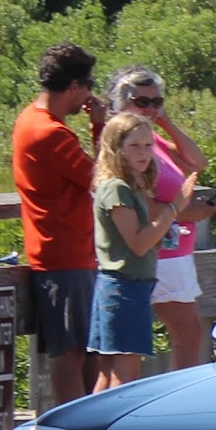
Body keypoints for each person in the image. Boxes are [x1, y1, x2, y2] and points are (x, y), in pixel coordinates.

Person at [11, 41, 106, 407]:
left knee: (85, 351)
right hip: (64, 256)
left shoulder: (30, 120)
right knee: (72, 354)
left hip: (62, 253)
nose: (89, 93)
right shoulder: (49, 132)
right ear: (74, 87)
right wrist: (99, 129)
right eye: (88, 85)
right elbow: (100, 179)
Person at [106, 66, 215, 371]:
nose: (150, 109)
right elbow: (136, 202)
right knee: (182, 336)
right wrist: (190, 211)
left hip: (173, 250)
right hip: (156, 252)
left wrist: (164, 121)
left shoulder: (149, 139)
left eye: (157, 102)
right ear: (122, 102)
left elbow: (196, 162)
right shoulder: (124, 147)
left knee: (185, 336)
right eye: (142, 102)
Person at [88, 112, 196, 391]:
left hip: (122, 288)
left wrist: (163, 230)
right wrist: (175, 208)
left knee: (110, 373)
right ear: (116, 148)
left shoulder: (131, 188)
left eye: (148, 145)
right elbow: (138, 244)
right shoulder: (117, 189)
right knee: (124, 377)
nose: (144, 152)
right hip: (123, 289)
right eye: (134, 145)